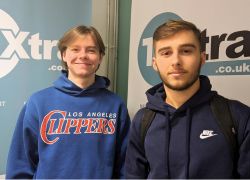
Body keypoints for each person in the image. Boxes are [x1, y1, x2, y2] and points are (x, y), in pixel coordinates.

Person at [125, 19, 250, 179]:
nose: (176, 61)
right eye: (166, 53)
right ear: (155, 64)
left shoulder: (238, 117)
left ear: (202, 58)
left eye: (186, 51)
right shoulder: (143, 120)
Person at [6, 25, 131, 179]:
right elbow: (20, 165)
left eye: (91, 50)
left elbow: (125, 166)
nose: (83, 55)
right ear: (64, 55)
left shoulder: (115, 105)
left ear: (100, 57)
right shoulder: (38, 102)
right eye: (75, 49)